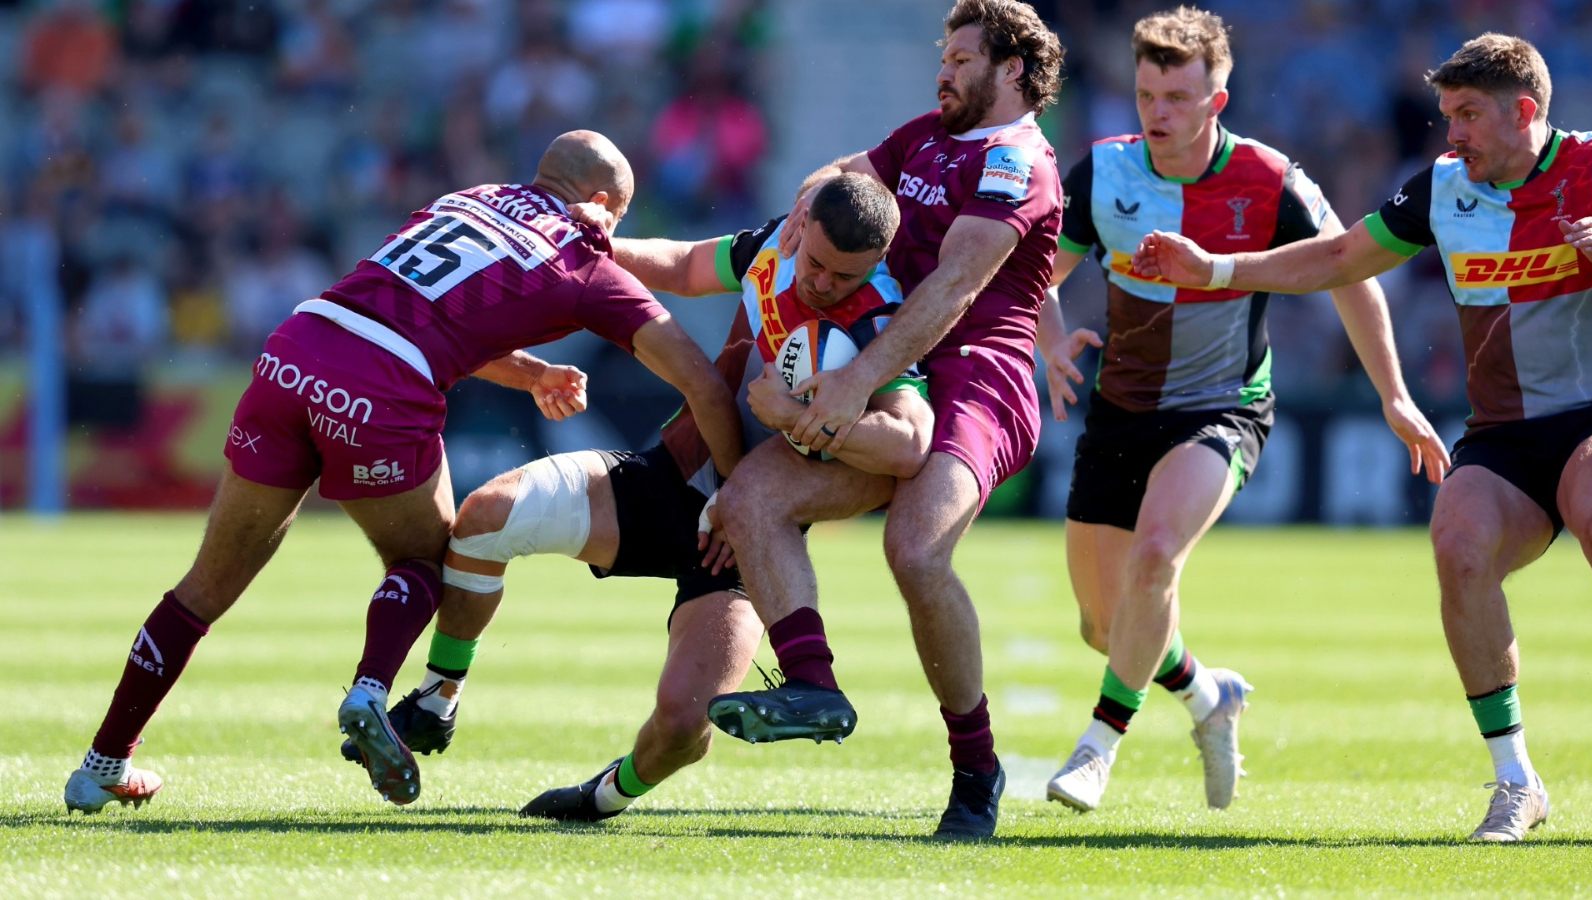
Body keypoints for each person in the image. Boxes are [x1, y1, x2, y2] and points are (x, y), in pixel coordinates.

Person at [63, 131, 743, 814]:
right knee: (426, 559)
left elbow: (421, 313)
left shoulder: (469, 199)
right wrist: (738, 497)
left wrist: (531, 374)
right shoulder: (585, 261)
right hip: (379, 389)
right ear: (600, 202)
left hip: (295, 351)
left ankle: (102, 764)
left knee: (203, 589)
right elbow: (705, 387)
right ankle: (369, 692)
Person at [1133, 33, 1592, 843]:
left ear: (1524, 111)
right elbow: (1343, 257)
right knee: (1457, 543)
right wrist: (1216, 269)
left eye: (1468, 115)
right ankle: (1516, 781)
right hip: (1506, 436)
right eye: (1447, 114)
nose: (1451, 132)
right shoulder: (1444, 187)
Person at [358, 173, 932, 822]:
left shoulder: (881, 319)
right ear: (804, 226)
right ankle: (437, 700)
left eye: (844, 276)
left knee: (684, 725)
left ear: (878, 263)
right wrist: (599, 244)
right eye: (817, 263)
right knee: (486, 516)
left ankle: (602, 798)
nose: (823, 283)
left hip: (742, 546)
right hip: (671, 478)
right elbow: (685, 265)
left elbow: (909, 443)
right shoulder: (776, 243)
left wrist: (798, 413)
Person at [1037, 7, 1448, 815]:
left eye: (1176, 98)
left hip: (1221, 410)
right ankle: (1207, 695)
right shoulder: (1104, 171)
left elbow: (1350, 274)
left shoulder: (1269, 178)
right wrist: (1048, 337)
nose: (1157, 113)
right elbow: (1038, 274)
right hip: (1120, 412)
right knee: (1105, 627)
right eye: (1147, 95)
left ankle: (1096, 749)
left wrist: (1394, 395)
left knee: (1157, 556)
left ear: (1216, 101)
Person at [703, 0, 1064, 841]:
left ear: (1012, 70)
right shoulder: (925, 137)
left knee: (915, 548)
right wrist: (807, 202)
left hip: (977, 382)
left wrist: (854, 380)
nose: (944, 71)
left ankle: (976, 770)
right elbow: (842, 174)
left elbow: (954, 289)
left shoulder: (1018, 163)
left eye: (963, 59)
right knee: (752, 500)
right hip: (890, 372)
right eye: (944, 55)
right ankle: (812, 686)